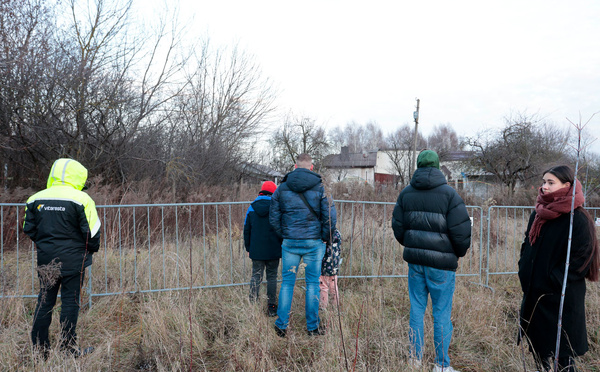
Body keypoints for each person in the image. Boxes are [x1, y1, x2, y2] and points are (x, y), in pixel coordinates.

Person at [392, 149, 471, 372]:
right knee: (441, 313)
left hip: (416, 262)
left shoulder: (406, 193)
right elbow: (461, 232)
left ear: (418, 165)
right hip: (442, 266)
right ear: (437, 167)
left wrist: (412, 244)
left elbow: (398, 226)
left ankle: (415, 360)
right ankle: (441, 365)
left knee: (416, 309)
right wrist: (457, 253)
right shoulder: (450, 195)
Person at [518, 165, 599, 372]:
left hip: (561, 301)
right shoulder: (538, 214)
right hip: (536, 299)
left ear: (567, 185)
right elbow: (527, 245)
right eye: (543, 182)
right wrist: (524, 269)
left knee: (563, 359)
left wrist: (551, 279)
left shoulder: (577, 220)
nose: (544, 187)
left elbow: (582, 261)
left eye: (550, 183)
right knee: (539, 354)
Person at [23, 158, 101, 358]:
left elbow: (28, 228)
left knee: (45, 300)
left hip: (46, 259)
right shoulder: (81, 199)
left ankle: (40, 350)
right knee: (70, 302)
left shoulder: (34, 199)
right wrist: (88, 251)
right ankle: (67, 349)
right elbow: (92, 233)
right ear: (78, 175)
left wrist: (46, 245)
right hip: (74, 261)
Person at [269, 153, 336, 337]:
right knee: (313, 283)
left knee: (287, 283)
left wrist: (285, 235)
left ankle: (281, 325)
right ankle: (312, 327)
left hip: (290, 242)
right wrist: (324, 237)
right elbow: (330, 217)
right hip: (314, 243)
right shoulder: (322, 187)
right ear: (312, 167)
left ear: (295, 166)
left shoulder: (281, 188)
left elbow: (273, 217)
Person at [244, 180, 283, 317]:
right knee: (272, 277)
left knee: (256, 276)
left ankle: (252, 305)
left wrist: (248, 247)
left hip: (256, 250)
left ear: (261, 191)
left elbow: (246, 229)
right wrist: (281, 245)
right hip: (273, 250)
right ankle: (272, 307)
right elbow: (281, 229)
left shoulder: (252, 207)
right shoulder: (276, 207)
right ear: (274, 193)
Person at [319, 229, 341, 309]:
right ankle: (335, 306)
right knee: (333, 286)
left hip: (324, 264)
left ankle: (323, 306)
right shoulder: (337, 233)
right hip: (334, 264)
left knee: (323, 285)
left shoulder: (324, 233)